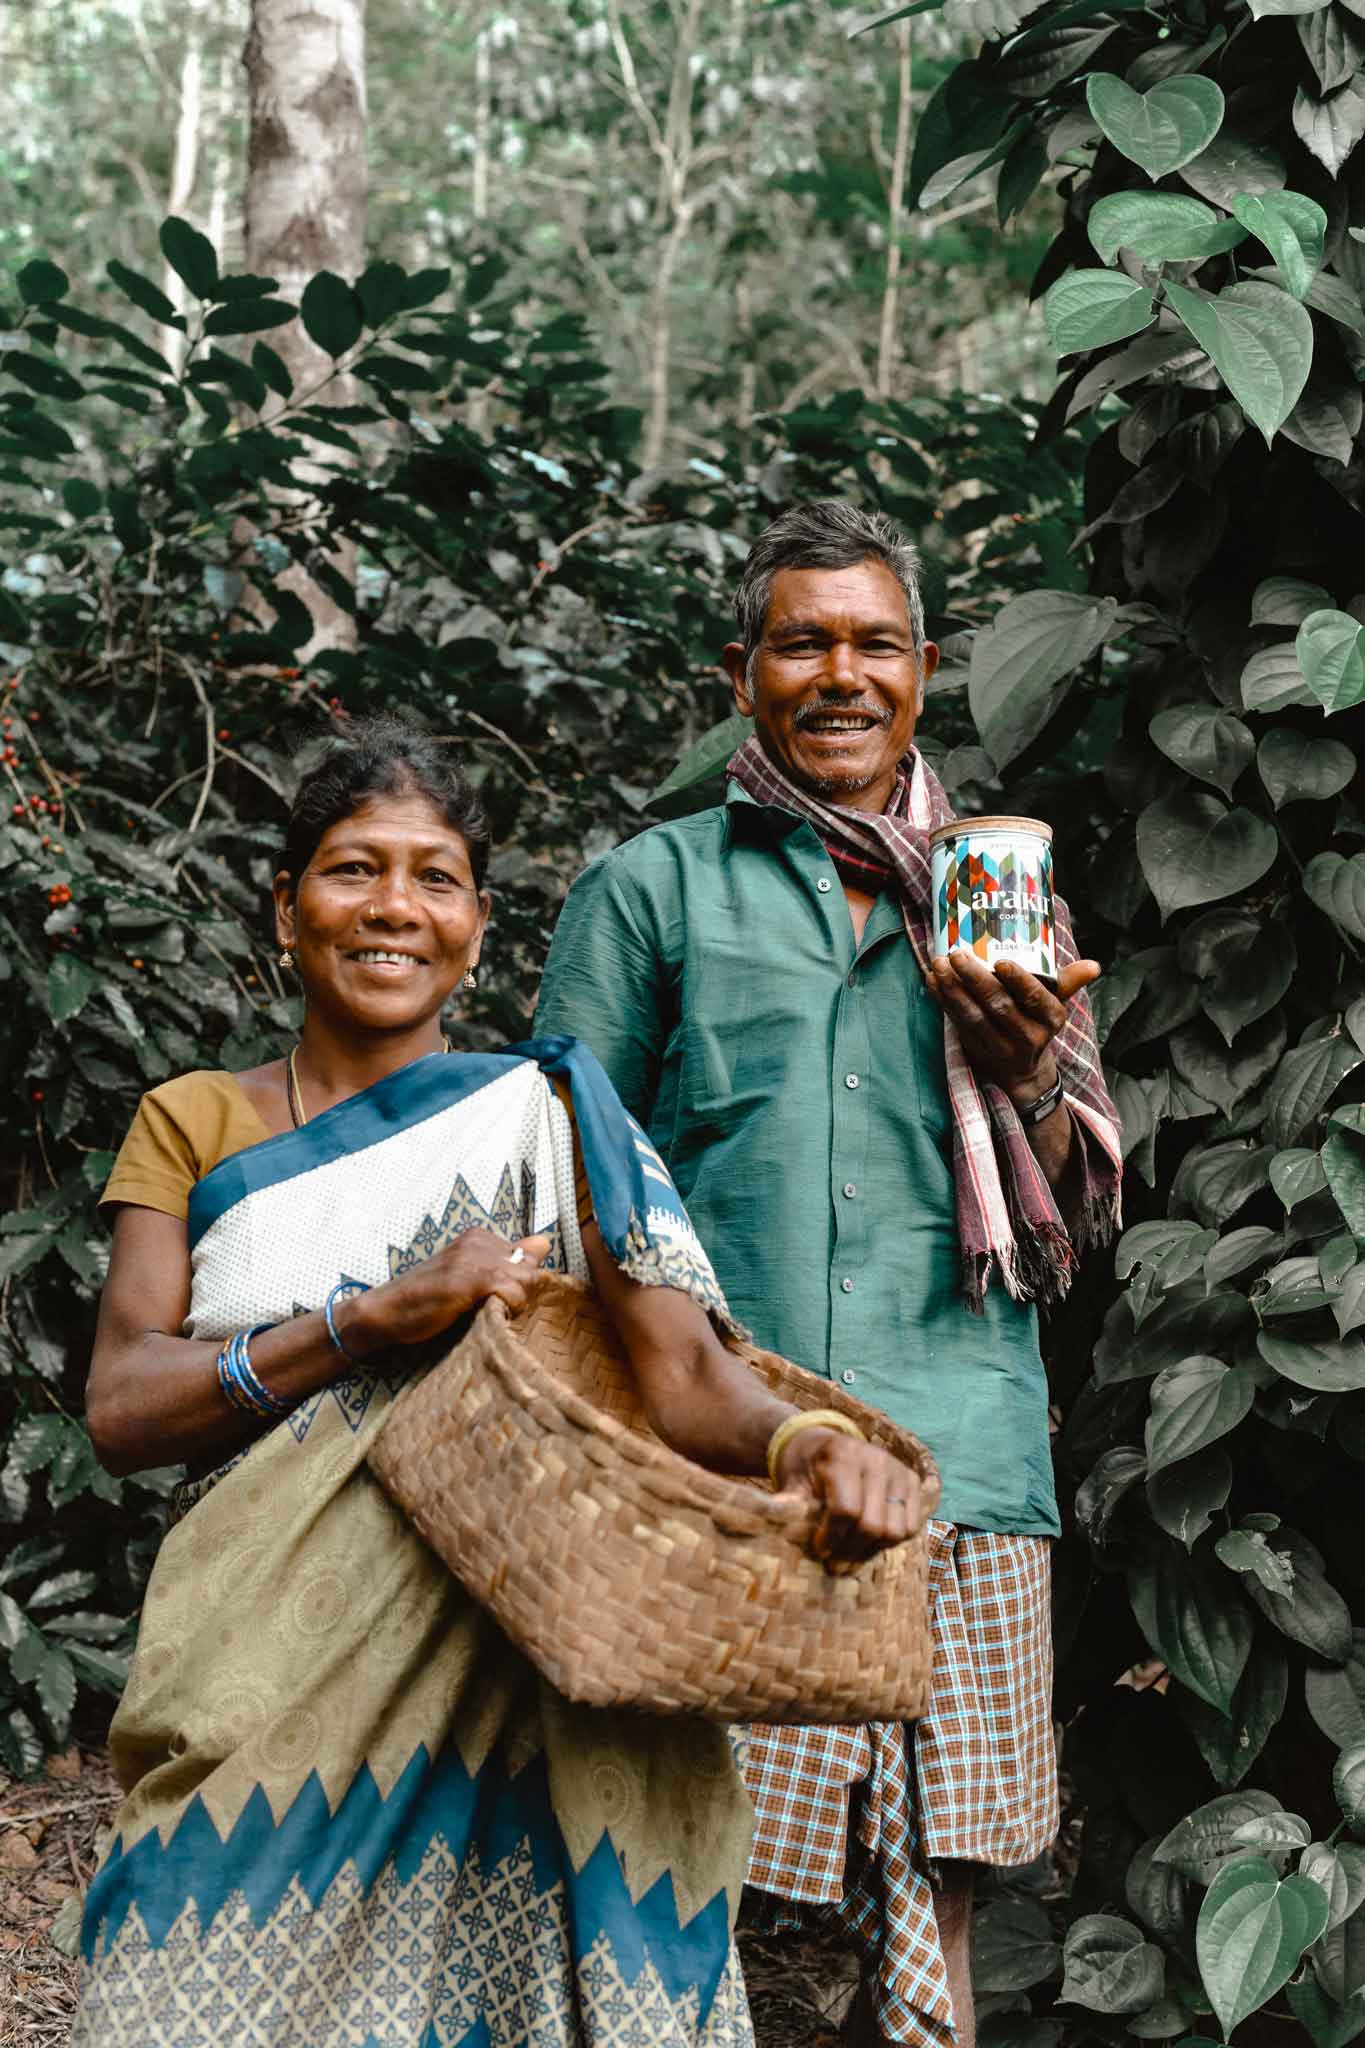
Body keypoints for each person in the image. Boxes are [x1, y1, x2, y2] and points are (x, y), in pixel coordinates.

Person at [75, 713, 925, 2048]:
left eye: (432, 877)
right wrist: (367, 1319)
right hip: (260, 1680)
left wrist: (804, 1441)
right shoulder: (197, 1120)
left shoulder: (547, 1110)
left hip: (521, 1697)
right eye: (352, 870)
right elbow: (124, 1404)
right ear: (285, 907)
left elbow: (687, 1372)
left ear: (477, 923)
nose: (392, 908)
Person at [533, 504, 1124, 2048]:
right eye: (803, 642)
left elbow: (1070, 1204)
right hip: (719, 1460)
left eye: (874, 643)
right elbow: (566, 1181)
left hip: (962, 1463)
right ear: (745, 673)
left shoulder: (1003, 891)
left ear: (924, 671)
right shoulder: (652, 890)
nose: (840, 674)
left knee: (929, 1926)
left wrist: (1032, 1077)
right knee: (680, 1895)